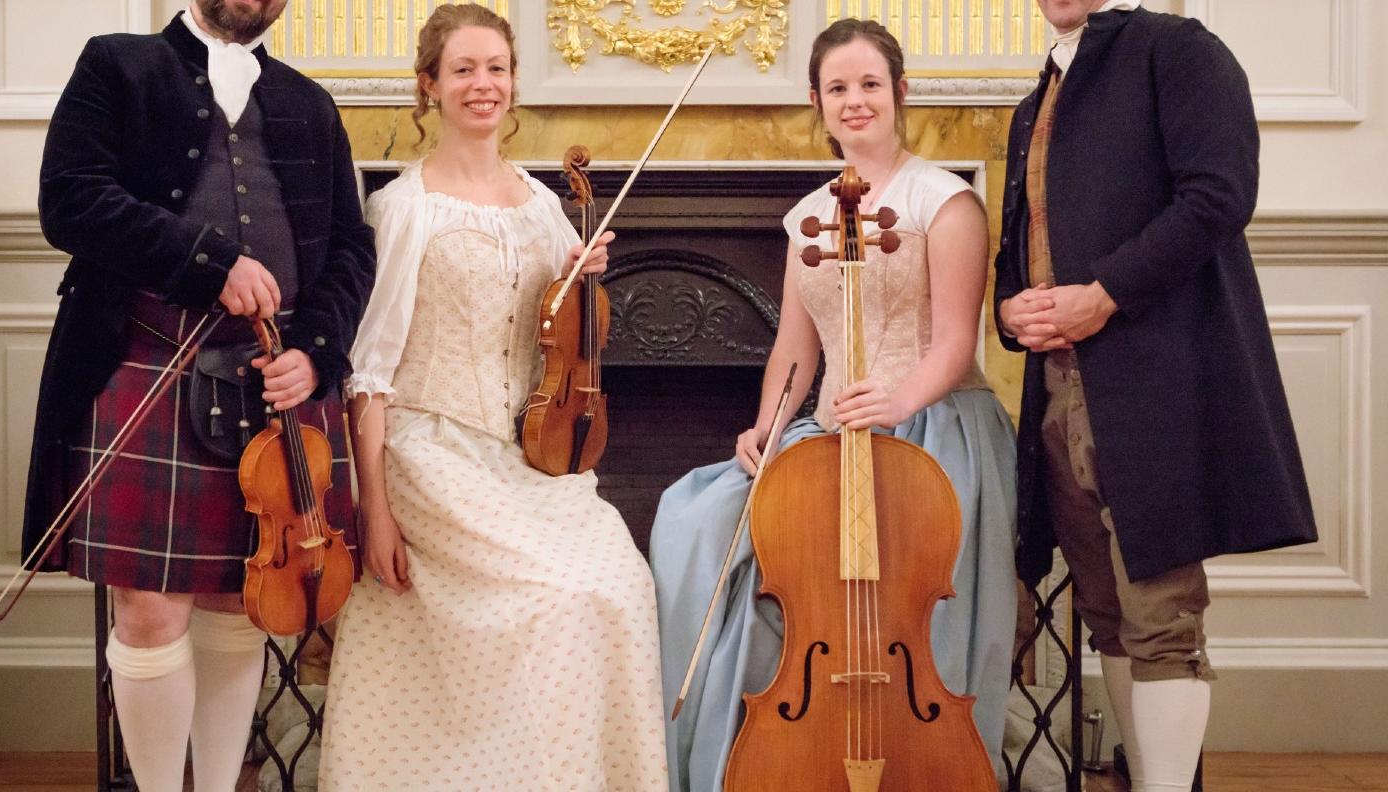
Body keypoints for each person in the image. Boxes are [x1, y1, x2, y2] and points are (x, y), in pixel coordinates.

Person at [650, 18, 1018, 792]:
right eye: (838, 89)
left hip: (932, 427)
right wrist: (767, 428)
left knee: (906, 619)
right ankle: (766, 758)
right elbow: (796, 348)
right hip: (831, 428)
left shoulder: (945, 201)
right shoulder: (809, 215)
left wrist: (896, 400)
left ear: (900, 92)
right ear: (817, 102)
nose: (855, 102)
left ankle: (924, 765)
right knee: (697, 521)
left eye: (870, 85)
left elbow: (956, 343)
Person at [25, 1, 375, 790]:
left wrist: (318, 352)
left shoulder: (309, 103)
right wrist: (206, 262)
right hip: (147, 364)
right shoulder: (115, 65)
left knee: (238, 606)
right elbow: (70, 199)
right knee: (150, 612)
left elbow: (351, 246)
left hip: (275, 381)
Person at [317, 5, 668, 789]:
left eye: (497, 68)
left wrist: (584, 280)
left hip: (531, 460)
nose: (484, 85)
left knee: (619, 583)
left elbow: (558, 339)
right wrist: (372, 508)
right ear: (429, 86)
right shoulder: (404, 210)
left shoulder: (545, 205)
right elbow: (368, 372)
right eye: (465, 69)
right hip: (429, 452)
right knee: (559, 597)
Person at [993, 2, 1318, 790]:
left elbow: (1219, 194)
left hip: (1156, 382)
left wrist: (1103, 294)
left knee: (1161, 618)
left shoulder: (1178, 50)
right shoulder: (1036, 99)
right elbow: (1021, 242)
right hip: (1061, 391)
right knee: (1107, 614)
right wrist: (1010, 310)